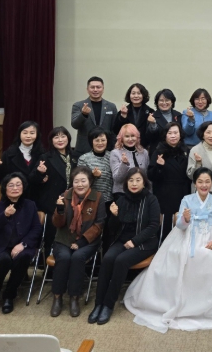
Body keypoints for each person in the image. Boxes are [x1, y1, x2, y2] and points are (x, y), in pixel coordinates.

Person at [124, 167, 212, 332]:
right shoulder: (187, 199)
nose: (204, 185)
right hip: (187, 237)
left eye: (207, 182)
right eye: (200, 182)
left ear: (211, 183)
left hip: (210, 238)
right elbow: (180, 226)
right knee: (180, 258)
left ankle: (207, 306)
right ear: (195, 183)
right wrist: (184, 219)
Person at [89, 167, 160, 325]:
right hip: (122, 240)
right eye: (131, 180)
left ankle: (108, 305)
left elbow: (154, 225)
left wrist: (135, 241)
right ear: (126, 183)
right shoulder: (121, 200)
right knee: (107, 259)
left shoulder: (151, 199)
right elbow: (112, 229)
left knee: (121, 261)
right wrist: (113, 216)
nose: (134, 184)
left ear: (144, 183)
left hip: (144, 243)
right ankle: (98, 304)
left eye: (138, 180)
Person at [0, 173, 42, 317]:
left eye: (18, 185)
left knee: (23, 257)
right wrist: (5, 215)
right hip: (1, 246)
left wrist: (23, 244)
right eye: (11, 185)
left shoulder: (30, 205)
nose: (15, 188)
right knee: (3, 260)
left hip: (23, 245)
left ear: (23, 187)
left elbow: (36, 228)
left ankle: (9, 296)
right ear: (5, 188)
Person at [50, 167, 106, 318]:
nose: (80, 184)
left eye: (83, 181)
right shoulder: (64, 196)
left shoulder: (98, 197)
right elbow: (57, 224)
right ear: (72, 183)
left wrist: (81, 242)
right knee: (64, 257)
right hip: (64, 239)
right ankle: (57, 297)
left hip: (88, 241)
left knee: (77, 257)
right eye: (76, 181)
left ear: (90, 181)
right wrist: (59, 210)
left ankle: (74, 298)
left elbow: (99, 224)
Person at [29, 126, 78, 251]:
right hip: (52, 203)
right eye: (56, 137)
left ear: (68, 138)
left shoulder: (75, 156)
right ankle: (48, 261)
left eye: (63, 136)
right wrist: (40, 173)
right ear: (51, 140)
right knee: (52, 238)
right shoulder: (45, 157)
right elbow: (32, 179)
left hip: (73, 201)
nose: (60, 140)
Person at [148, 122, 190, 231]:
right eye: (169, 133)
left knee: (182, 225)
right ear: (165, 135)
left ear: (180, 134)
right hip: (164, 194)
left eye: (176, 133)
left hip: (183, 193)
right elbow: (151, 175)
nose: (173, 136)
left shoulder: (186, 150)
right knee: (166, 226)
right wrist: (159, 166)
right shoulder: (158, 151)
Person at [71, 76, 118, 156]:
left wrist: (113, 147)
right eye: (92, 87)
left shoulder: (111, 106)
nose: (95, 90)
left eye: (98, 87)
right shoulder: (78, 105)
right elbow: (75, 125)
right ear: (87, 89)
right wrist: (83, 114)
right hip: (84, 149)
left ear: (103, 89)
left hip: (106, 150)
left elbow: (114, 129)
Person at [110, 123, 149, 201]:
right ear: (121, 138)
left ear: (137, 137)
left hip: (141, 194)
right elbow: (117, 179)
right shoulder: (115, 153)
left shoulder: (144, 152)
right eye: (127, 136)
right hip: (122, 194)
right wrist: (124, 164)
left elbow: (146, 176)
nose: (130, 139)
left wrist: (149, 192)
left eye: (133, 136)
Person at [187, 121, 212, 196]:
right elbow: (190, 175)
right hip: (200, 192)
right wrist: (198, 163)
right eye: (208, 132)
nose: (211, 136)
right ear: (202, 135)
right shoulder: (195, 150)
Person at [78, 127, 113, 206]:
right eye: (97, 140)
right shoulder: (84, 158)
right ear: (91, 141)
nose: (100, 143)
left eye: (103, 140)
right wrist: (92, 175)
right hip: (90, 200)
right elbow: (80, 180)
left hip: (110, 200)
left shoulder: (112, 156)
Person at [144, 88, 182, 153]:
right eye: (161, 100)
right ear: (157, 102)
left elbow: (182, 134)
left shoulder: (178, 115)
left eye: (167, 100)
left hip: (176, 151)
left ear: (172, 102)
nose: (164, 103)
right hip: (158, 152)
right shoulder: (152, 116)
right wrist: (153, 124)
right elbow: (149, 137)